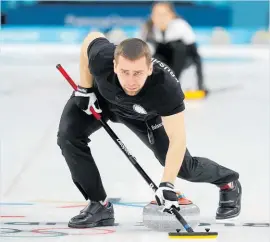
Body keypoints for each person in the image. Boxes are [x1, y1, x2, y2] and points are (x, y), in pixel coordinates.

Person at [57, 31, 241, 228]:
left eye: (138, 73)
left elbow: (177, 138)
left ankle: (228, 181)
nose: (131, 81)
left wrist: (167, 185)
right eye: (124, 72)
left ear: (150, 68)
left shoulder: (165, 88)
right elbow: (90, 40)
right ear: (114, 66)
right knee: (68, 136)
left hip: (144, 117)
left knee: (182, 167)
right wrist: (85, 89)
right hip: (102, 101)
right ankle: (99, 204)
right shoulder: (102, 58)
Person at [139, 2, 208, 93]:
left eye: (164, 14)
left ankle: (174, 84)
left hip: (182, 58)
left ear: (172, 15)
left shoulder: (181, 27)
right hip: (162, 58)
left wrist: (200, 84)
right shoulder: (148, 28)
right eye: (156, 14)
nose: (160, 18)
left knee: (179, 47)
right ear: (152, 16)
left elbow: (196, 56)